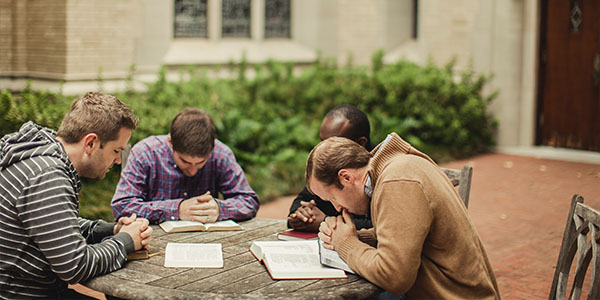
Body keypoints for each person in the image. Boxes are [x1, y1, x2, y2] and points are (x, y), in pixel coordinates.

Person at [307, 134, 500, 298]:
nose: (337, 208)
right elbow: (407, 234)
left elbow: (394, 277)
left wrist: (346, 244)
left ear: (346, 177)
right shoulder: (397, 167)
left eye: (332, 198)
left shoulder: (397, 182)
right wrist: (354, 237)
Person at [0, 92, 152, 299]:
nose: (118, 160)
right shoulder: (48, 177)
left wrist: (112, 229)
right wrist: (126, 241)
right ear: (90, 143)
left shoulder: (41, 157)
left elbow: (55, 225)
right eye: (116, 150)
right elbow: (75, 265)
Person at [112, 108, 259, 224]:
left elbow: (249, 201)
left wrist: (221, 209)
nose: (193, 170)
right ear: (170, 143)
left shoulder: (221, 154)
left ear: (212, 147)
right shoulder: (145, 153)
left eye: (201, 163)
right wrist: (177, 210)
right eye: (185, 162)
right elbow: (122, 206)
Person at [288, 105, 374, 232]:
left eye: (334, 142)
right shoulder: (329, 162)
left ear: (360, 143)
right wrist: (303, 215)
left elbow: (384, 225)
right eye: (322, 141)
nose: (324, 148)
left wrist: (326, 222)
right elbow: (304, 199)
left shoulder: (380, 172)